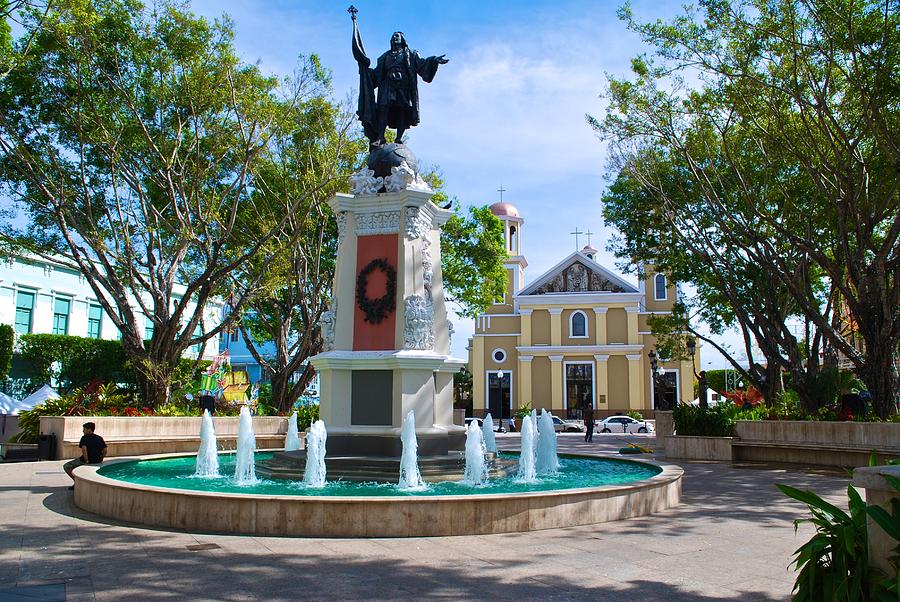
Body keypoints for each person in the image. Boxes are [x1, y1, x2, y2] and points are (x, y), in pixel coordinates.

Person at [351, 11, 448, 147]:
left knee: (402, 110)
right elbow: (377, 75)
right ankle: (380, 137)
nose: (395, 38)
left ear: (403, 40)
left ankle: (399, 138)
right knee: (383, 109)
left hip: (403, 86)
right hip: (387, 86)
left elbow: (421, 64)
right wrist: (365, 71)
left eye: (398, 36)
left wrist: (434, 61)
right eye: (393, 36)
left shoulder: (410, 54)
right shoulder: (385, 57)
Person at [63, 422, 107, 490]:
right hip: (97, 461)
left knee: (67, 466)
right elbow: (105, 450)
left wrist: (86, 460)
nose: (83, 431)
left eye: (84, 429)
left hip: (86, 460)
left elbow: (84, 450)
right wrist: (101, 458)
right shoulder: (99, 438)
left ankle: (77, 482)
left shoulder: (84, 438)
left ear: (89, 429)